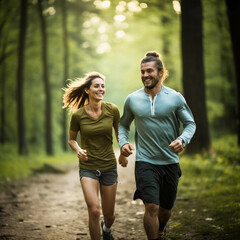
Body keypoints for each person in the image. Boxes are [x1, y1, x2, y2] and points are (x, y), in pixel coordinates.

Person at [118, 51, 196, 240]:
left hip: (169, 161)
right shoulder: (132, 99)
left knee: (165, 210)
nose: (145, 75)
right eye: (142, 71)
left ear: (161, 72)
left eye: (149, 71)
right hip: (145, 161)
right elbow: (123, 124)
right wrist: (123, 143)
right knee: (151, 206)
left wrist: (182, 139)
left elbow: (190, 124)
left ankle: (161, 228)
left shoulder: (175, 98)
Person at [63, 72, 126, 240]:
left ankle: (106, 229)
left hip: (109, 167)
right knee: (94, 210)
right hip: (88, 168)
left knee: (110, 215)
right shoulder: (78, 116)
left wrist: (124, 152)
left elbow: (120, 135)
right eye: (96, 86)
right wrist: (78, 150)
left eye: (103, 86)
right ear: (87, 90)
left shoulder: (112, 110)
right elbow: (71, 140)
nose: (101, 89)